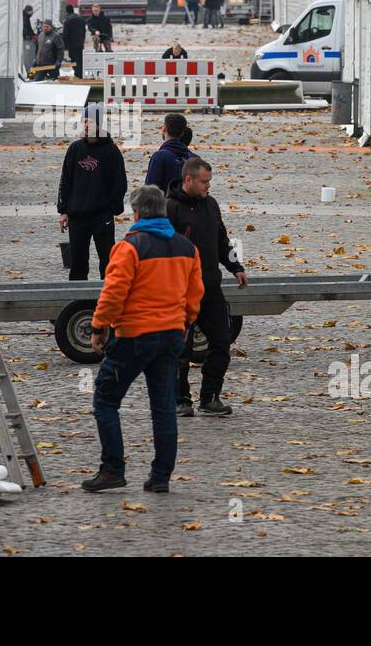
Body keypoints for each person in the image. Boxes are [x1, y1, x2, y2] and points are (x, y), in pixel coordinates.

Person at [83, 185, 204, 494]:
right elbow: (195, 294)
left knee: (106, 400)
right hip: (171, 336)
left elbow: (114, 292)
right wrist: (187, 322)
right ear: (162, 211)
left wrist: (99, 327)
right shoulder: (187, 248)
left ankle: (112, 469)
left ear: (136, 213)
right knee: (163, 407)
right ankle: (160, 476)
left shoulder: (130, 247)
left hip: (135, 336)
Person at [165, 157, 247, 417]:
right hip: (180, 291)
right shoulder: (170, 209)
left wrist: (236, 267)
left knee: (222, 343)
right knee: (181, 350)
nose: (208, 187)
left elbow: (222, 240)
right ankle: (180, 400)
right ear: (188, 179)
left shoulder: (211, 205)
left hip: (210, 289)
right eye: (204, 182)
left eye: (209, 182)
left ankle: (210, 397)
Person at [57, 103, 127, 280]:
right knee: (78, 263)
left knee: (107, 261)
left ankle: (108, 297)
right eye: (84, 122)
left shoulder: (111, 151)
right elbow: (66, 180)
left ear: (100, 124)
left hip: (101, 215)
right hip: (77, 216)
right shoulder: (75, 149)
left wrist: (111, 209)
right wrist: (63, 210)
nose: (86, 126)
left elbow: (119, 183)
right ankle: (78, 301)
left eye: (90, 122)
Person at [143, 112, 192, 193]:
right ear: (183, 132)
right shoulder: (194, 158)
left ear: (164, 129)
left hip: (166, 204)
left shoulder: (159, 156)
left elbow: (150, 191)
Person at [62, 3, 88, 79]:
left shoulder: (67, 20)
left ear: (67, 11)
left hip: (72, 44)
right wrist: (82, 40)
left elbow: (65, 34)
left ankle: (77, 74)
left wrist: (65, 45)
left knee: (74, 58)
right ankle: (81, 74)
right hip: (80, 42)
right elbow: (84, 31)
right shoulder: (81, 18)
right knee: (80, 58)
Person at [21, 4, 37, 75]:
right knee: (30, 59)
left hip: (28, 40)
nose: (32, 13)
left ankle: (31, 74)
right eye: (31, 11)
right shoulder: (25, 18)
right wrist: (31, 36)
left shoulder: (26, 18)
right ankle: (31, 75)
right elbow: (26, 30)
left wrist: (33, 34)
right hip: (27, 41)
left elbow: (29, 29)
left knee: (30, 59)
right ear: (28, 11)